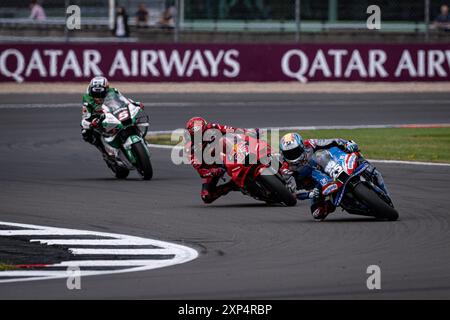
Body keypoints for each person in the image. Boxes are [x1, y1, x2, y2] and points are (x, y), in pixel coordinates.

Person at [279, 132, 388, 220]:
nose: (293, 155)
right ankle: (332, 202)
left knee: (362, 160)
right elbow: (292, 192)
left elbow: (333, 141)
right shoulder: (285, 169)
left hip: (331, 165)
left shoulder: (311, 144)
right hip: (316, 186)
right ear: (283, 154)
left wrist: (347, 144)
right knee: (317, 214)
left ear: (302, 146)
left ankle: (382, 190)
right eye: (289, 153)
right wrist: (309, 194)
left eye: (295, 151)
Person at [184, 117, 258, 204]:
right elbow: (200, 170)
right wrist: (212, 172)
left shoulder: (213, 127)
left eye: (203, 132)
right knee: (207, 196)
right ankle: (232, 185)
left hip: (230, 150)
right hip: (213, 166)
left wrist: (247, 132)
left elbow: (231, 130)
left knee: (226, 140)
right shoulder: (190, 148)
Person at [81, 76, 143, 162]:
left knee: (132, 119)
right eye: (95, 93)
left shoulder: (113, 91)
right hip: (97, 118)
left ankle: (138, 136)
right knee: (86, 132)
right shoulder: (87, 98)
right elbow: (85, 118)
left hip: (114, 112)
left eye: (101, 93)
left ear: (106, 89)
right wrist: (91, 123)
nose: (98, 97)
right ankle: (105, 152)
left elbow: (124, 100)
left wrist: (135, 103)